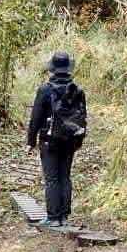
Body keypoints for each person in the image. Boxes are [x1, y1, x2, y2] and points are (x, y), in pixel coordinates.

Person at [26, 51, 88, 228]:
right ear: (68, 68)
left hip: (49, 141)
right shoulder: (77, 90)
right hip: (70, 141)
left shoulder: (45, 90)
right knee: (65, 176)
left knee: (52, 178)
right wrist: (79, 141)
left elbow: (36, 118)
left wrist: (31, 141)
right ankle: (64, 216)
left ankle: (53, 218)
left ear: (52, 68)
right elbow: (82, 117)